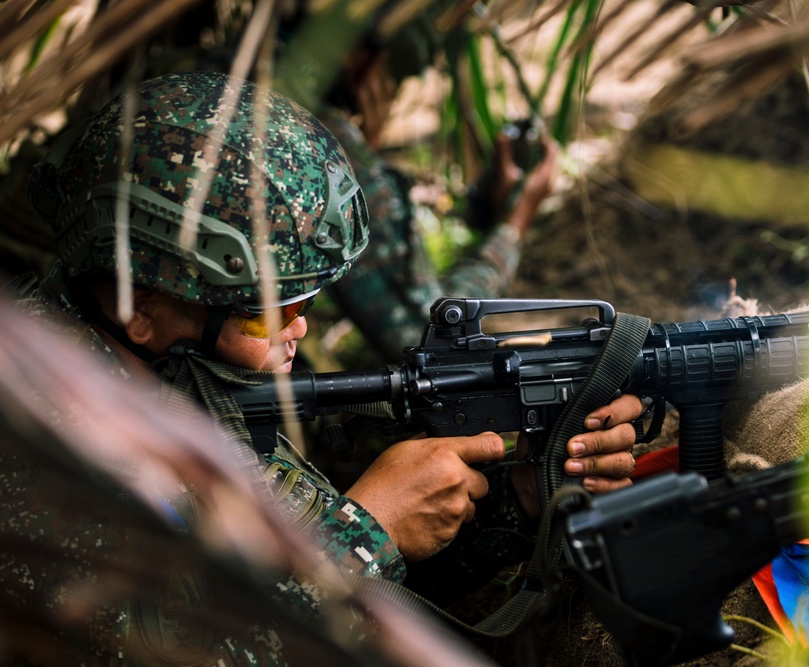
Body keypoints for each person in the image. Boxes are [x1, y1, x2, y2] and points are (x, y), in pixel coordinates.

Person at [10, 70, 639, 662]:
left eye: (308, 303)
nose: (300, 327)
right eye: (269, 311)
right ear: (138, 306)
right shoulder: (41, 451)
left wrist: (519, 501)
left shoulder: (176, 373)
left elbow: (350, 593)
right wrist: (366, 531)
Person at [278, 5, 559, 360]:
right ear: (358, 57)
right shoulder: (324, 144)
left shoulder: (228, 69)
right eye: (395, 74)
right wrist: (515, 221)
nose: (393, 94)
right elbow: (430, 340)